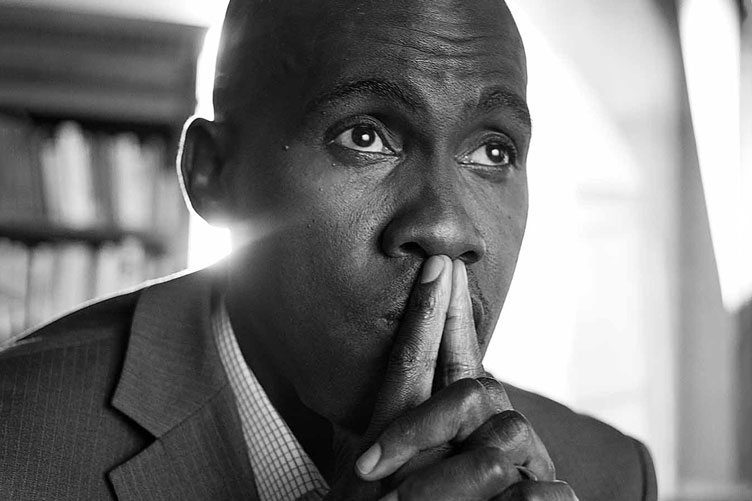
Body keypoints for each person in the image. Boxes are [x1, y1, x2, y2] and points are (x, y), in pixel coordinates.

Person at [0, 0, 657, 499]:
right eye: (365, 136)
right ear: (215, 174)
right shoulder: (17, 445)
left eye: (492, 151)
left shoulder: (608, 474)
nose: (447, 228)